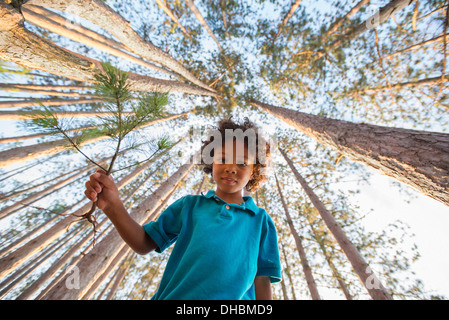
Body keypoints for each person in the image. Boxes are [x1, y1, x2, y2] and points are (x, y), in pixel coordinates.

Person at [84, 117, 282, 300]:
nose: (231, 167)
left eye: (242, 162)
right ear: (211, 160)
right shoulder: (190, 206)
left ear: (254, 170)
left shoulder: (260, 221)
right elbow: (144, 244)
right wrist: (112, 205)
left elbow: (262, 280)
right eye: (223, 158)